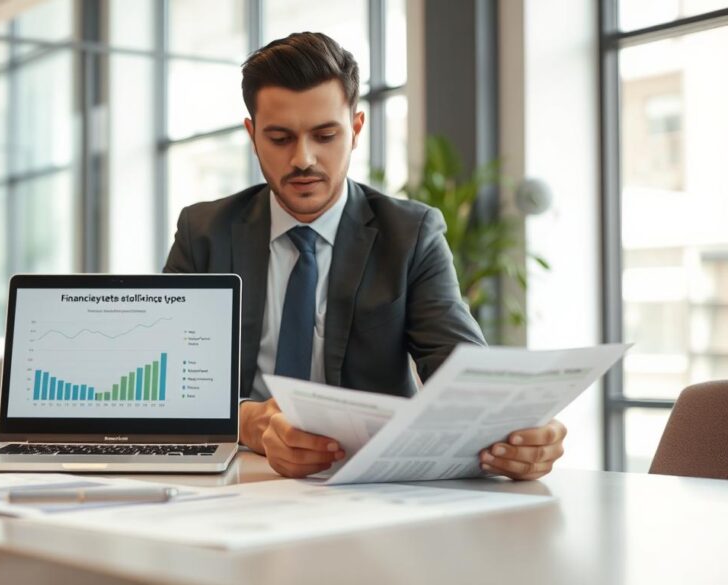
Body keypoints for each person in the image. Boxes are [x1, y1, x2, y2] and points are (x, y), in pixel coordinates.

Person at [164, 32, 566, 480]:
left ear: (355, 129)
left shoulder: (410, 234)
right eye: (280, 138)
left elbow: (460, 367)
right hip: (239, 479)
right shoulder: (204, 232)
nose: (303, 159)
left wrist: (513, 431)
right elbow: (170, 386)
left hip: (369, 483)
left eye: (325, 135)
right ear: (252, 135)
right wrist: (251, 424)